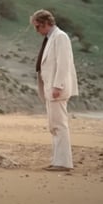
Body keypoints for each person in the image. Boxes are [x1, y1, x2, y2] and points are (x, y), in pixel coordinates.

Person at [30, 9, 79, 172]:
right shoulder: (52, 38)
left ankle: (64, 162)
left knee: (59, 125)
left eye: (38, 27)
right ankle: (58, 160)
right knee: (54, 125)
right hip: (51, 87)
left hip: (56, 88)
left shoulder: (60, 37)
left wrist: (58, 86)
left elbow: (63, 63)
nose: (37, 31)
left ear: (45, 23)